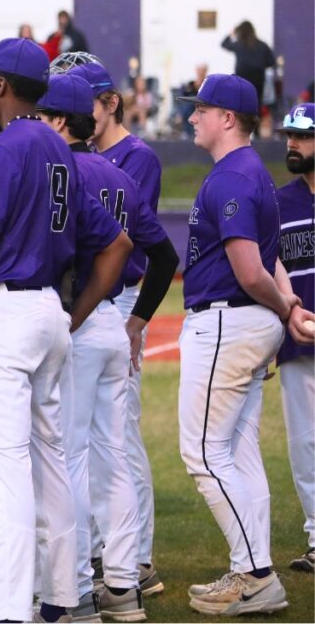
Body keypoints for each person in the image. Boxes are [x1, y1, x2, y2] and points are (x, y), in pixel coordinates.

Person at [0, 37, 131, 623]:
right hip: (50, 313)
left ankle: (7, 612)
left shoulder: (1, 151)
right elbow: (117, 244)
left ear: (1, 86)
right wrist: (72, 316)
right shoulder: (59, 150)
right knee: (52, 462)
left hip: (5, 312)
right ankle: (63, 600)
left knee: (7, 473)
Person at [37, 73, 179, 622]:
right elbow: (163, 257)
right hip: (113, 326)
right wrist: (138, 320)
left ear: (55, 121)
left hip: (75, 321)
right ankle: (123, 584)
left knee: (65, 457)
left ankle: (73, 589)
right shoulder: (115, 175)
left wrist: (70, 318)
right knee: (112, 456)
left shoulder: (61, 173)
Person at [176, 74, 314, 616]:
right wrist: (292, 307)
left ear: (227, 118)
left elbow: (251, 269)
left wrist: (283, 305)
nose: (192, 117)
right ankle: (249, 569)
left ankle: (257, 574)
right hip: (248, 321)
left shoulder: (233, 176)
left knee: (203, 455)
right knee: (237, 453)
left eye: (201, 109)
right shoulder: (253, 173)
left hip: (227, 321)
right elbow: (272, 262)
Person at [69, 60, 166, 594]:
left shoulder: (136, 158)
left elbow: (138, 247)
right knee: (95, 437)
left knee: (113, 438)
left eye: (85, 99)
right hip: (96, 304)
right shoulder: (94, 161)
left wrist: (139, 318)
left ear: (109, 102)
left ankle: (135, 558)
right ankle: (109, 557)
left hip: (113, 297)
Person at [273, 102, 315, 573]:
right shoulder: (280, 203)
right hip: (298, 341)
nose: (293, 143)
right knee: (305, 442)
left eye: (303, 135)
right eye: (290, 135)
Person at [220, 21, 275, 129]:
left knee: (240, 103)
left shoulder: (239, 45)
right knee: (256, 103)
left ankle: (241, 128)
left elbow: (224, 44)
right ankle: (256, 129)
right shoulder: (262, 45)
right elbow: (271, 62)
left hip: (241, 78)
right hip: (258, 78)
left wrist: (232, 33)